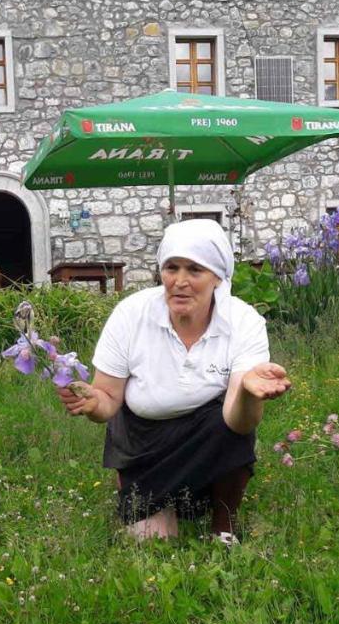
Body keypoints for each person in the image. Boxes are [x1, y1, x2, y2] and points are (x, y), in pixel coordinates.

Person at [58, 218, 290, 544]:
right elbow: (108, 400)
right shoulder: (131, 314)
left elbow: (239, 423)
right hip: (142, 443)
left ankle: (224, 526)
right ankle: (159, 500)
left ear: (218, 279)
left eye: (194, 270)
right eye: (171, 268)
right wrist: (93, 402)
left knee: (225, 421)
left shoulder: (243, 322)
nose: (179, 281)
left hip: (210, 433)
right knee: (152, 540)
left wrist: (250, 395)